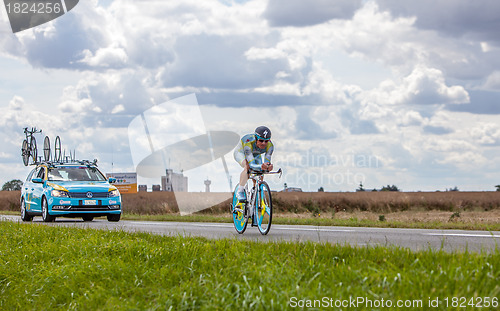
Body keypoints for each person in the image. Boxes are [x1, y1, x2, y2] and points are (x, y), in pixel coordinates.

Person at [233, 126, 274, 202]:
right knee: (247, 167)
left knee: (261, 173)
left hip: (255, 154)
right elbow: (252, 164)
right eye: (261, 140)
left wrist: (268, 166)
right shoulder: (248, 142)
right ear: (255, 138)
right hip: (241, 153)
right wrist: (261, 166)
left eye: (266, 141)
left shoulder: (270, 146)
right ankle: (240, 191)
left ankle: (256, 194)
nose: (264, 143)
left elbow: (267, 161)